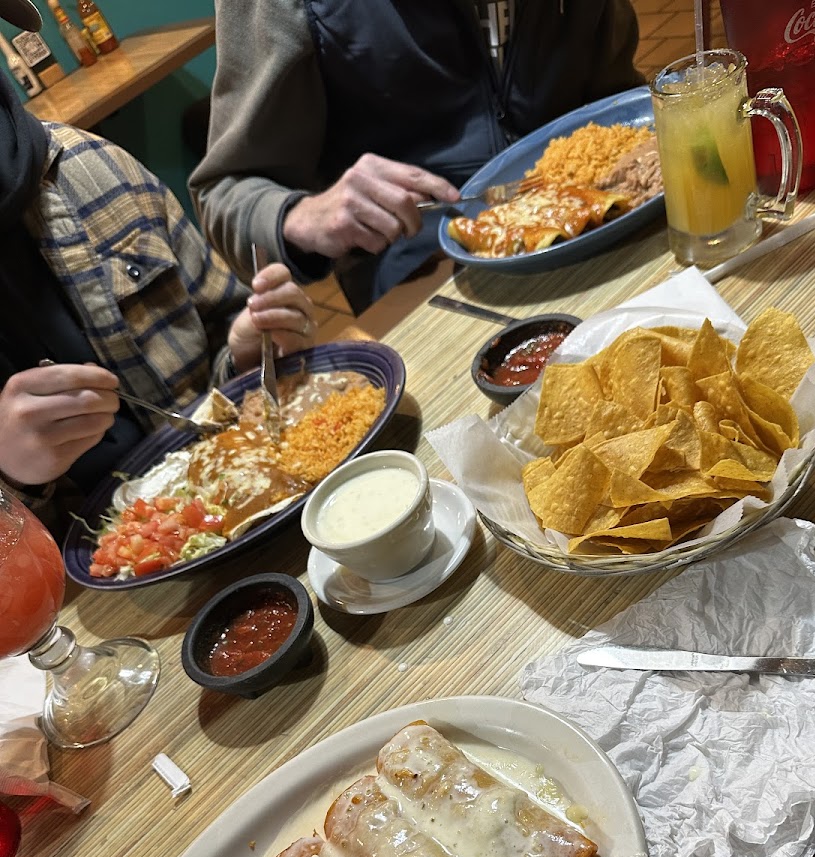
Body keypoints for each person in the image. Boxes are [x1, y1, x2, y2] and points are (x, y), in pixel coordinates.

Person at [0, 0, 316, 530]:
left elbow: (227, 340)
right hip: (91, 596)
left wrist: (249, 353)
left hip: (259, 502)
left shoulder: (90, 168)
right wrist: (13, 483)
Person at [190, 0, 643, 314]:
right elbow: (224, 192)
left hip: (604, 226)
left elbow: (615, 95)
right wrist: (302, 217)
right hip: (435, 290)